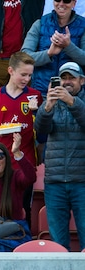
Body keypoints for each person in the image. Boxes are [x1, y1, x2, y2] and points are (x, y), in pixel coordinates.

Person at [34, 61, 85, 251]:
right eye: (63, 78)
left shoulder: (78, 101)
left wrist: (72, 102)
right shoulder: (52, 100)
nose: (67, 82)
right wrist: (47, 107)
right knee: (58, 243)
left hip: (81, 181)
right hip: (54, 181)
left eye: (72, 77)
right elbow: (41, 131)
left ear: (82, 80)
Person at [0, 52, 41, 170]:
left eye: (30, 75)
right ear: (10, 71)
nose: (26, 79)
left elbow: (42, 128)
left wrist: (36, 113)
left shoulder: (35, 95)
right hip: (1, 159)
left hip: (26, 159)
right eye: (23, 74)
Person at [22, 0, 85, 96]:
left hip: (73, 95)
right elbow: (24, 57)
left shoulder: (83, 26)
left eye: (67, 1)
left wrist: (68, 46)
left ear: (74, 3)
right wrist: (49, 53)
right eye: (57, 0)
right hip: (42, 92)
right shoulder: (40, 23)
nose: (61, 4)